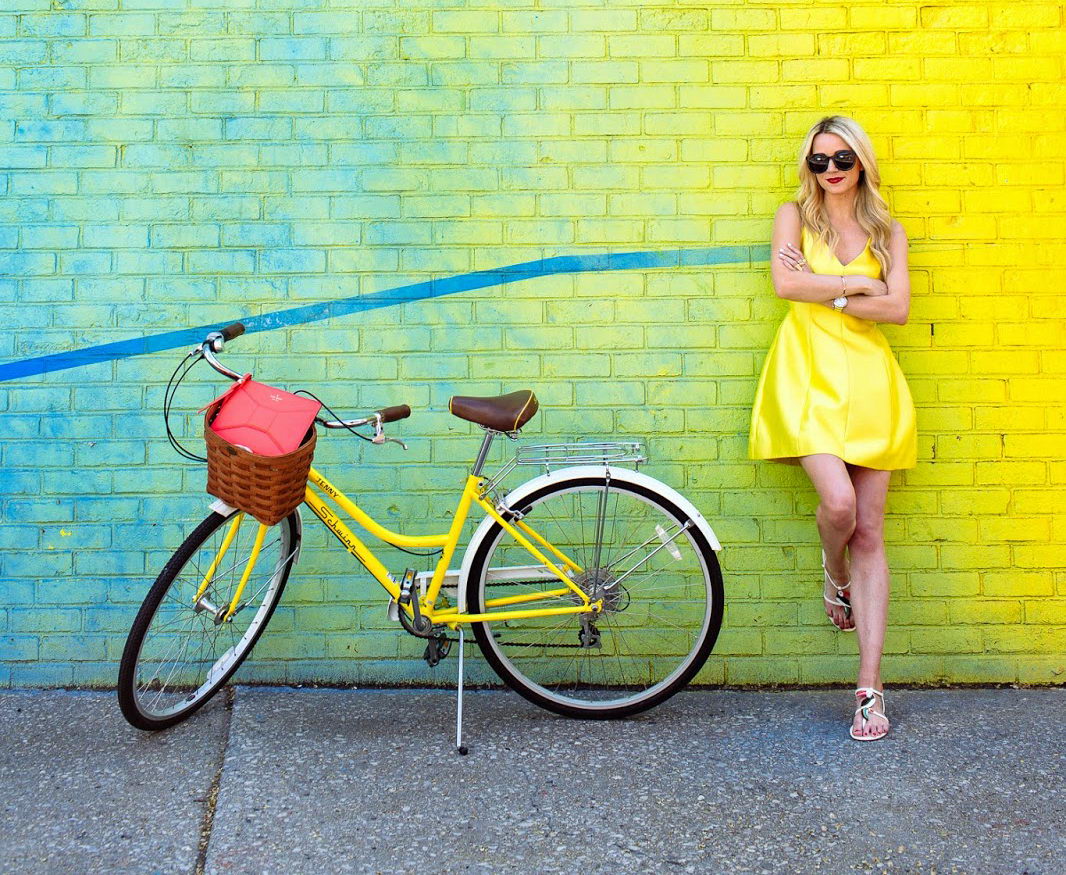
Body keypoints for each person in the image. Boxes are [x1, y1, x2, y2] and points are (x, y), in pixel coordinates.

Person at [748, 115, 917, 742]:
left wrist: (831, 293)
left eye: (842, 158)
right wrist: (858, 283)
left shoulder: (887, 230)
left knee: (870, 531)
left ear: (862, 162)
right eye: (819, 160)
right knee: (839, 505)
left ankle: (870, 691)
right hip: (807, 377)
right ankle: (834, 570)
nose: (831, 170)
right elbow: (785, 283)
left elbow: (897, 308)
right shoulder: (793, 216)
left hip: (871, 384)